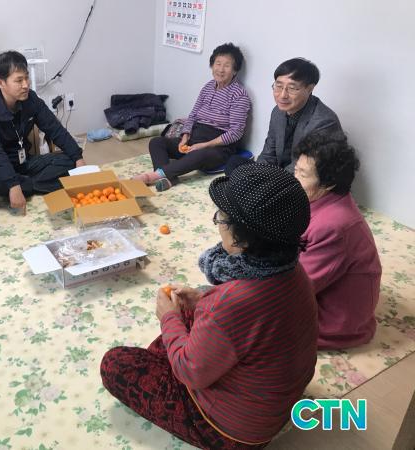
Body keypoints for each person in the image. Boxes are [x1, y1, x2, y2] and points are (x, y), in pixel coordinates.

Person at [101, 164, 318, 448]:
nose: (218, 223)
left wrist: (168, 318)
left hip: (234, 431)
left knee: (116, 363)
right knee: (188, 314)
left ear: (243, 235)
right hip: (277, 403)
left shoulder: (230, 302)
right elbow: (253, 322)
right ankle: (173, 347)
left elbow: (191, 372)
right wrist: (201, 302)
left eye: (221, 217)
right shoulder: (293, 270)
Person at [293, 132, 382, 349]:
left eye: (303, 174)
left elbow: (296, 287)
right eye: (296, 170)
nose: (294, 178)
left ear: (328, 184)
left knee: (246, 315)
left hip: (334, 323)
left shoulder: (333, 227)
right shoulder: (326, 199)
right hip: (321, 295)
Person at [0, 51, 86, 214]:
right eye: (19, 80)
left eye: (26, 78)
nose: (26, 85)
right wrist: (13, 185)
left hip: (24, 162)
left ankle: (27, 185)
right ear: (1, 83)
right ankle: (27, 184)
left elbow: (54, 128)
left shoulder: (30, 98)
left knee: (70, 161)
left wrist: (78, 159)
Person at [133, 43, 251, 192]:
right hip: (194, 138)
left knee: (198, 154)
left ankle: (152, 176)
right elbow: (193, 115)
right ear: (212, 65)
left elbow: (236, 132)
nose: (221, 69)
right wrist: (185, 137)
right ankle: (169, 178)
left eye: (227, 65)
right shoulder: (208, 87)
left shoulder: (239, 95)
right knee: (157, 142)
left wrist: (205, 145)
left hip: (218, 147)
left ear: (235, 70)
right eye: (218, 63)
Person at [257, 57, 342, 172]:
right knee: (237, 165)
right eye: (279, 86)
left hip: (306, 179)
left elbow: (303, 171)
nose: (282, 95)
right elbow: (268, 154)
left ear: (310, 89)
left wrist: (268, 180)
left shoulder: (324, 122)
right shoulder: (277, 112)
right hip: (280, 174)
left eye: (292, 88)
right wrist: (255, 175)